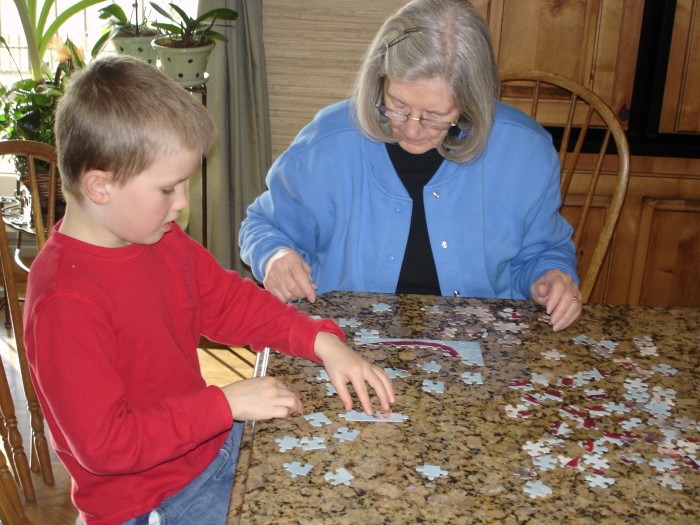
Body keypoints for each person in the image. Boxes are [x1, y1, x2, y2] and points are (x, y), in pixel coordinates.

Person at [23, 55, 395, 525]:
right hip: (150, 502)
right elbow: (105, 447)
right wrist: (225, 403)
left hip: (204, 452)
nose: (181, 204)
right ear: (99, 186)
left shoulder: (158, 238)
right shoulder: (64, 301)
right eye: (168, 188)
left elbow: (229, 302)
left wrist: (320, 341)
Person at [239, 0, 582, 331]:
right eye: (398, 105)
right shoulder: (327, 142)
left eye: (435, 115)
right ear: (380, 80)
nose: (412, 128)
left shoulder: (525, 153)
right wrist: (274, 256)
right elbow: (263, 225)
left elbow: (543, 251)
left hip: (481, 343)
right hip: (345, 342)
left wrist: (550, 274)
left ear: (472, 101)